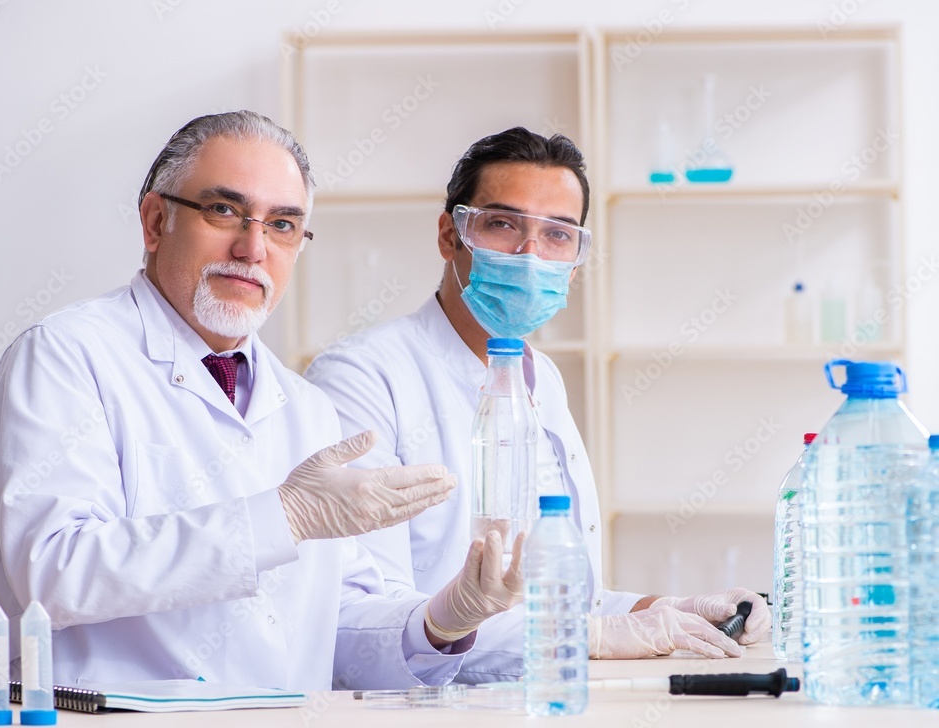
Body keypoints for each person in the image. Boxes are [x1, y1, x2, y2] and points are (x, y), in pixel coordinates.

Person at [0, 111, 526, 691]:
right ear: (156, 221)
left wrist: (442, 622)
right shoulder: (65, 356)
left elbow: (335, 628)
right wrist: (284, 517)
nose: (252, 248)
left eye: (283, 225)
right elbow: (53, 573)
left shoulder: (306, 408)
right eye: (223, 210)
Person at [305, 127, 771, 683]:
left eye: (557, 234)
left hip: (550, 701)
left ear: (575, 261)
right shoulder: (364, 377)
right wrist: (588, 637)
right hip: (429, 710)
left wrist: (666, 610)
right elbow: (361, 623)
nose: (530, 255)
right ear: (450, 235)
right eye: (502, 224)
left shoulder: (541, 376)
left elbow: (561, 599)